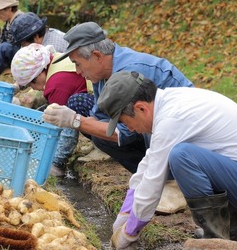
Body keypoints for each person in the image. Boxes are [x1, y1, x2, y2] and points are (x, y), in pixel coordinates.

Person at [96, 71, 237, 249]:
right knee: (182, 155)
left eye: (124, 122)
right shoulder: (171, 101)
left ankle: (216, 239)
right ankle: (233, 232)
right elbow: (148, 165)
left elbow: (152, 183)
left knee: (182, 156)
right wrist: (124, 213)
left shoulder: (172, 119)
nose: (129, 129)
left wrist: (129, 233)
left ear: (140, 108)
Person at [42, 22, 194, 174]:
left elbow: (127, 133)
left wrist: (75, 120)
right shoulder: (102, 74)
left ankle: (160, 176)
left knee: (105, 135)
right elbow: (99, 117)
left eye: (78, 64)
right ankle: (148, 174)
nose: (77, 71)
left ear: (96, 56)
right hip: (154, 127)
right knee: (100, 136)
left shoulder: (128, 74)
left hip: (185, 132)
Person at [11, 43, 94, 176]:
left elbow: (67, 128)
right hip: (95, 101)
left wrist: (56, 162)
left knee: (56, 115)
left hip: (99, 113)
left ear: (39, 73)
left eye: (32, 83)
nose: (33, 88)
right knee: (44, 111)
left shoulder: (56, 85)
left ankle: (98, 144)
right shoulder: (54, 60)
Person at [0, 11, 68, 76]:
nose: (23, 48)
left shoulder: (53, 49)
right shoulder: (42, 42)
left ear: (36, 37)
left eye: (23, 44)